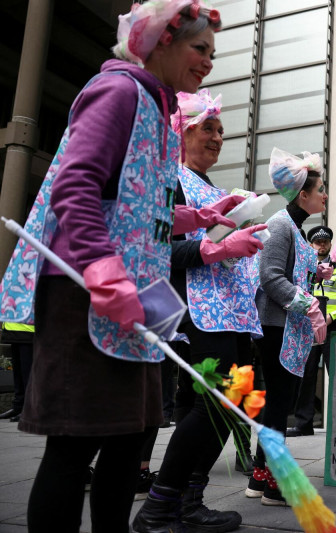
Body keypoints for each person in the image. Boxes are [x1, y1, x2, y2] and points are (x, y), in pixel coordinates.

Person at [0, 2, 232, 531]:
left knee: (130, 439)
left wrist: (196, 215)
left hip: (134, 298)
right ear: (160, 42)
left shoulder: (156, 106)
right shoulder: (119, 91)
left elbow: (133, 206)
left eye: (211, 53)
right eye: (201, 49)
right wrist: (104, 269)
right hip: (85, 292)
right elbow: (73, 186)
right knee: (74, 444)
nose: (208, 64)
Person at [132, 88, 267, 532]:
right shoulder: (168, 179)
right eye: (206, 128)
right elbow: (157, 250)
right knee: (218, 402)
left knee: (224, 401)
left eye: (220, 130)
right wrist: (220, 247)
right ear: (181, 131)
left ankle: (186, 501)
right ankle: (159, 507)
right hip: (194, 312)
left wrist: (240, 242)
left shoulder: (208, 187)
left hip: (226, 311)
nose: (217, 137)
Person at [246, 147, 328, 505]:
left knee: (281, 402)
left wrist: (317, 272)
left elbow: (292, 270)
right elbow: (270, 277)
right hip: (277, 326)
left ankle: (259, 476)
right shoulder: (280, 224)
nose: (325, 194)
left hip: (290, 328)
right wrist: (307, 303)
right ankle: (275, 482)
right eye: (320, 189)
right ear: (304, 195)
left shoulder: (296, 226)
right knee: (280, 402)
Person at [287, 225, 336, 437]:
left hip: (333, 327)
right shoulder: (304, 269)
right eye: (318, 242)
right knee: (306, 375)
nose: (322, 245)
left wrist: (331, 317)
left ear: (330, 244)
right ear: (311, 245)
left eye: (325, 242)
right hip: (308, 327)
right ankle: (303, 424)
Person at [0, 322, 33, 422]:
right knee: (18, 372)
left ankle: (30, 409)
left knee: (28, 373)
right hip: (13, 330)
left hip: (29, 330)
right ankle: (18, 406)